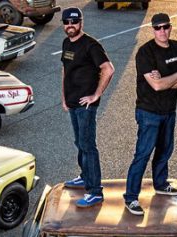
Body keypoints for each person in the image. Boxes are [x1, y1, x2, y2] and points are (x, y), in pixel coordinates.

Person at [123, 13, 177, 215]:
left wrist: (170, 78)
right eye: (157, 27)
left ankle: (160, 184)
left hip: (169, 110)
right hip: (148, 112)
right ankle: (131, 198)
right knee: (143, 154)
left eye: (165, 27)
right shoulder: (145, 53)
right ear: (152, 29)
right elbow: (156, 85)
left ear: (170, 27)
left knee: (165, 150)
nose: (162, 31)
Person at [60, 7, 115, 207]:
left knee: (88, 146)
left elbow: (108, 69)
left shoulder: (91, 45)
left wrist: (96, 94)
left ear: (81, 23)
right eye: (66, 22)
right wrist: (63, 97)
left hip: (86, 106)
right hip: (73, 102)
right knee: (79, 143)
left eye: (74, 22)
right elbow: (65, 70)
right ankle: (85, 176)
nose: (70, 26)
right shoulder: (66, 42)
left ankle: (95, 191)